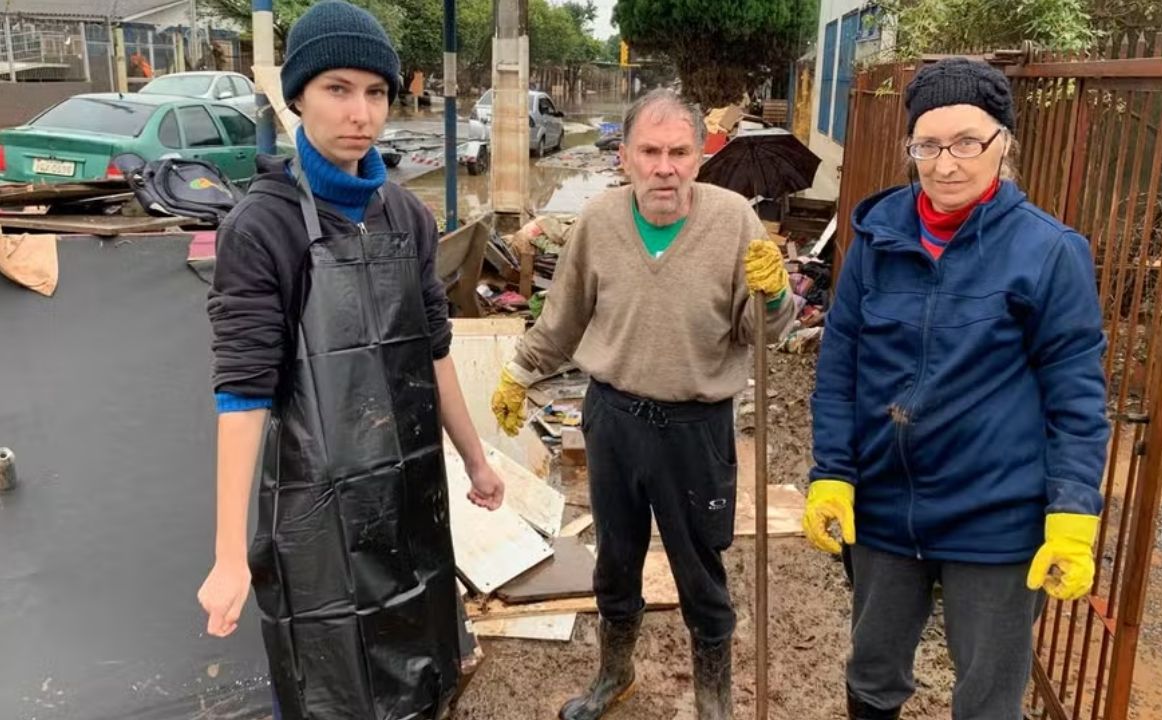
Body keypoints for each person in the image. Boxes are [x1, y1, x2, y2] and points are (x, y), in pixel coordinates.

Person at [196, 3, 504, 718]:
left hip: (408, 502)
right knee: (331, 694)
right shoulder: (261, 227)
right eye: (337, 89)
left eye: (376, 93)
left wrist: (476, 460)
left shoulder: (409, 217)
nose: (360, 112)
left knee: (423, 678)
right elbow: (241, 395)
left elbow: (433, 350)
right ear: (297, 95)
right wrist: (228, 554)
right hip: (317, 518)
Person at [803, 57, 1110, 720]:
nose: (946, 165)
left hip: (997, 520)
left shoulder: (1049, 253)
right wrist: (833, 472)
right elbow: (839, 371)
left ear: (1004, 142)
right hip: (886, 509)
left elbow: (1077, 398)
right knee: (873, 669)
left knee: (989, 696)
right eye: (928, 145)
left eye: (968, 142)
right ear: (910, 147)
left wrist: (1073, 510)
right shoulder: (876, 241)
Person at [490, 88, 797, 720]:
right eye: (650, 152)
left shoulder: (734, 219)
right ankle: (615, 675)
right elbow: (562, 318)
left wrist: (773, 299)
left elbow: (760, 334)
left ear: (700, 154)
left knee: (700, 568)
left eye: (679, 151)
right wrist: (518, 372)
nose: (665, 167)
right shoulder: (599, 223)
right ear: (624, 156)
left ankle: (714, 700)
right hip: (613, 420)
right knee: (616, 559)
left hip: (697, 427)